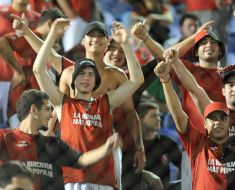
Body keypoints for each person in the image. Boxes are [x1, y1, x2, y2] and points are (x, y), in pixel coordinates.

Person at [12, 16, 146, 175]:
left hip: (106, 143)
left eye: (100, 36)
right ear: (82, 41)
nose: (96, 39)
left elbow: (131, 112)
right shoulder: (70, 71)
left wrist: (139, 147)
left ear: (106, 43)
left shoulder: (117, 78)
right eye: (91, 35)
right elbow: (59, 104)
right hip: (72, 143)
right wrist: (27, 32)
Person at [154, 52, 235, 189]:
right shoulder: (197, 143)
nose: (217, 122)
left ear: (229, 121)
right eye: (230, 85)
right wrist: (167, 78)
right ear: (205, 123)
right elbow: (181, 110)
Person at [131, 20, 235, 128]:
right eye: (203, 43)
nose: (209, 45)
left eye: (214, 43)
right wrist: (145, 38)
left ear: (221, 51)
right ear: (195, 52)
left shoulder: (233, 73)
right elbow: (166, 56)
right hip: (196, 141)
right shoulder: (188, 69)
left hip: (228, 136)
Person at [0, 89, 121, 190]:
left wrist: (105, 149)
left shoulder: (55, 143)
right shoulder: (5, 137)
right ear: (34, 110)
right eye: (47, 109)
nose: (52, 115)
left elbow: (81, 159)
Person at [0, 8, 65, 129]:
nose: (63, 34)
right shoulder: (30, 37)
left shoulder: (50, 49)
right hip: (22, 109)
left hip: (39, 111)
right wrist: (18, 71)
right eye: (62, 29)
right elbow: (2, 42)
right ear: (51, 24)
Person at [137, 101, 181, 188]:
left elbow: (183, 167)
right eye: (153, 116)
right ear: (141, 119)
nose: (158, 118)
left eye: (158, 115)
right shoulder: (133, 144)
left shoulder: (168, 142)